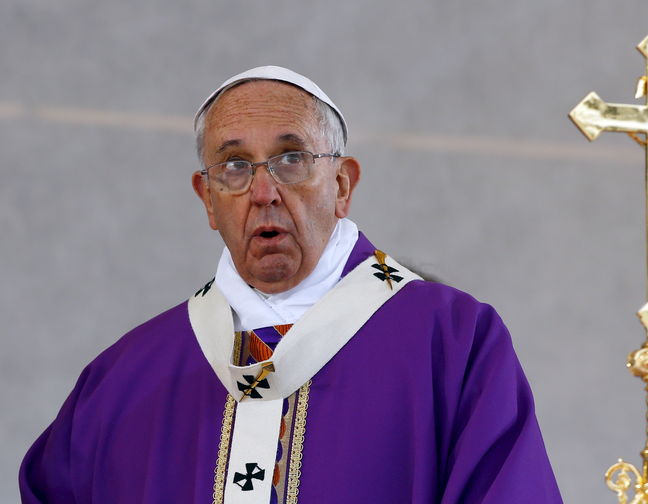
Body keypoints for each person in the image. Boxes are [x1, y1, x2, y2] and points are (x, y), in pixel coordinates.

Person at [20, 66, 562, 504]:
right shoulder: (124, 378)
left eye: (291, 159)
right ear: (207, 198)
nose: (263, 191)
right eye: (234, 165)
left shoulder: (452, 342)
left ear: (342, 184)